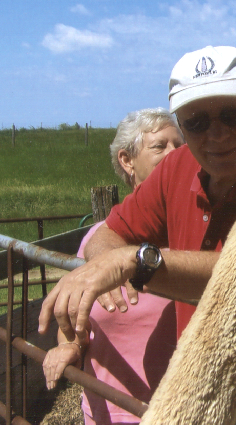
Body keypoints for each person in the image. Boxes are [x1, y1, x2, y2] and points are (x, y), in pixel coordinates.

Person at [39, 46, 236, 424]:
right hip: (208, 398)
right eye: (197, 123)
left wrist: (133, 263)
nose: (216, 135)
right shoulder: (177, 167)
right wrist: (107, 259)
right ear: (182, 126)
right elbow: (113, 231)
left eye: (234, 116)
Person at [42, 108, 184, 425]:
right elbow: (77, 321)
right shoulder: (97, 242)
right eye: (160, 146)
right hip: (111, 411)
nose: (177, 155)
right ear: (127, 160)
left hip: (185, 413)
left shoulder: (194, 234)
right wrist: (68, 346)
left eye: (181, 145)